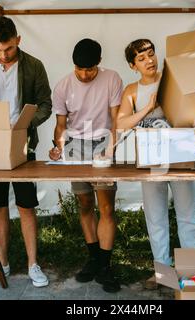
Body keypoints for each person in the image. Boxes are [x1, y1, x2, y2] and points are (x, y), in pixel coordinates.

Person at [0, 16, 52, 288]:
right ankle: (0, 264)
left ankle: (33, 264)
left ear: (18, 39)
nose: (3, 55)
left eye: (9, 49)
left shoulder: (34, 66)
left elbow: (45, 104)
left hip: (23, 144)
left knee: (27, 206)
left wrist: (25, 124)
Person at [117, 39, 195, 289]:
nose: (149, 61)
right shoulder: (132, 90)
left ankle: (192, 272)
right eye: (141, 59)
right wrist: (148, 108)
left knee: (187, 215)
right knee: (155, 217)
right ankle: (163, 272)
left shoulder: (172, 79)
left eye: (151, 55)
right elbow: (121, 125)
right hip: (151, 160)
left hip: (181, 157)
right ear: (133, 66)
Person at [49, 38, 123, 293]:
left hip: (103, 142)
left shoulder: (112, 78)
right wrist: (58, 146)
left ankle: (105, 264)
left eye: (89, 69)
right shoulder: (62, 87)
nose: (84, 74)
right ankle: (93, 259)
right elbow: (60, 124)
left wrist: (110, 148)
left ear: (99, 64)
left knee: (106, 207)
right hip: (75, 147)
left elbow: (116, 119)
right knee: (84, 204)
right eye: (79, 69)